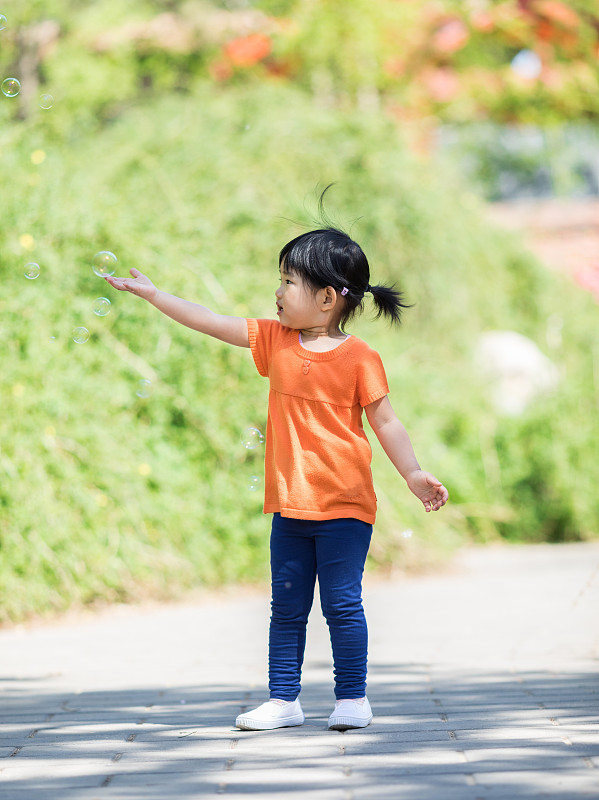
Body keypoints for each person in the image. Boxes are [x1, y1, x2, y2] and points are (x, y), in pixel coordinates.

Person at [105, 220, 448, 733]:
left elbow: (386, 420)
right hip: (289, 505)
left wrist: (413, 473)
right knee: (285, 607)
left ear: (328, 297)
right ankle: (283, 700)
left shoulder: (360, 358)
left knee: (342, 606)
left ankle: (353, 698)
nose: (278, 291)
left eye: (289, 281)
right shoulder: (275, 340)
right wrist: (158, 296)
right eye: (281, 278)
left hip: (344, 507)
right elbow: (211, 321)